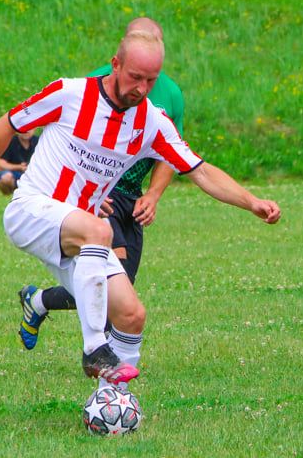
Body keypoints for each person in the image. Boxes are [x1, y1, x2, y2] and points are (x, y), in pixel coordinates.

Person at [0, 29, 281, 388]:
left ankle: (113, 400)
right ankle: (94, 348)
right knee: (100, 229)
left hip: (81, 233)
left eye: (150, 80)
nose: (141, 87)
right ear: (115, 64)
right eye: (135, 77)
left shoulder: (151, 122)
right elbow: (8, 123)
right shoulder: (70, 93)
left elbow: (199, 170)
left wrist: (252, 202)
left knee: (130, 314)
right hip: (32, 210)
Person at [17, 18, 185, 352]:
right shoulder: (96, 81)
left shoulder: (171, 95)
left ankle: (39, 302)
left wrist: (153, 194)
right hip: (101, 200)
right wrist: (89, 192)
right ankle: (100, 356)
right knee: (110, 286)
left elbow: (173, 152)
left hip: (132, 200)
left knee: (122, 295)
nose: (142, 83)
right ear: (122, 53)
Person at [0, 130, 39, 196]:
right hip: (15, 174)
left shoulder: (39, 142)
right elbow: (0, 164)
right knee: (6, 178)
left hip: (34, 174)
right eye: (24, 127)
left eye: (30, 128)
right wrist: (19, 167)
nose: (26, 131)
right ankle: (8, 194)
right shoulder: (9, 141)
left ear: (34, 129)